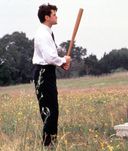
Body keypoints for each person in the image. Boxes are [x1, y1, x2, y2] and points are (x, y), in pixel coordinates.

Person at [32, 3, 71, 146]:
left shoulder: (47, 32)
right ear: (47, 17)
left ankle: (50, 143)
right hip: (43, 72)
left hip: (47, 71)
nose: (56, 16)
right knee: (49, 109)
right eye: (54, 14)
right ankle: (48, 144)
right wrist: (63, 60)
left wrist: (61, 63)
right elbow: (49, 58)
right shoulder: (43, 34)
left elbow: (50, 57)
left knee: (52, 108)